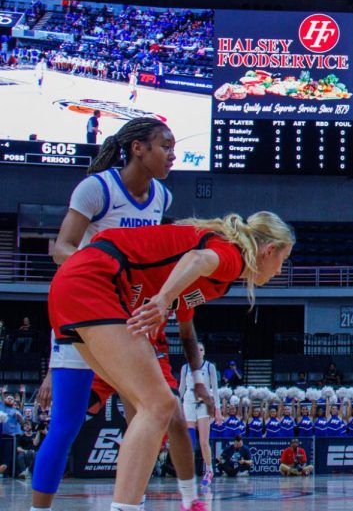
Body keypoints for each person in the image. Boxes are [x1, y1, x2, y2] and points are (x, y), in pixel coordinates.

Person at [47, 212, 294, 511]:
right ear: (268, 250)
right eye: (283, 259)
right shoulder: (231, 255)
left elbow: (185, 311)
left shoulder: (218, 278)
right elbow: (196, 259)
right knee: (160, 404)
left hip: (78, 284)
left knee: (147, 405)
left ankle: (136, 502)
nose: (280, 270)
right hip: (95, 280)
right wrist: (162, 299)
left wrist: (196, 375)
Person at [31, 118, 198, 511]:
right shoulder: (97, 188)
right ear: (138, 148)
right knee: (67, 425)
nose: (173, 154)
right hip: (87, 308)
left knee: (147, 415)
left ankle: (130, 503)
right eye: (166, 145)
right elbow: (61, 249)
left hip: (126, 316)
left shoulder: (161, 197)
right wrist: (108, 272)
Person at [180, 343, 221, 492]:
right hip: (189, 400)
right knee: (191, 440)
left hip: (204, 400)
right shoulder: (185, 368)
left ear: (204, 352)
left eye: (201, 349)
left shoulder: (209, 367)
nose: (199, 351)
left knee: (204, 441)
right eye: (196, 349)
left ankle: (209, 470)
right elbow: (180, 389)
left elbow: (215, 390)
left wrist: (218, 410)